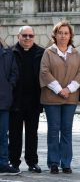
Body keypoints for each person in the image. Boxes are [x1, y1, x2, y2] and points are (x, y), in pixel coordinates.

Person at [39, 21, 80, 174]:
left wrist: (69, 89)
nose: (63, 36)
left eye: (66, 33)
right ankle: (53, 162)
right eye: (60, 33)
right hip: (51, 98)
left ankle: (66, 163)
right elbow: (44, 72)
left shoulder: (76, 54)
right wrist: (59, 89)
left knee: (66, 130)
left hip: (70, 98)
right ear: (55, 35)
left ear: (70, 35)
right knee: (53, 129)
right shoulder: (48, 52)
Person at [9, 26, 44, 173]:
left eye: (30, 36)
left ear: (34, 37)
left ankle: (32, 162)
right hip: (16, 100)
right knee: (14, 133)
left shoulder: (41, 52)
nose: (27, 38)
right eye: (24, 35)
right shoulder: (10, 52)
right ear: (18, 37)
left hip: (34, 99)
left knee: (32, 133)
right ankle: (14, 161)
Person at [0, 41, 19, 175]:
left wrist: (8, 86)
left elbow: (14, 73)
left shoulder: (8, 53)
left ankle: (3, 164)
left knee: (2, 135)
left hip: (3, 101)